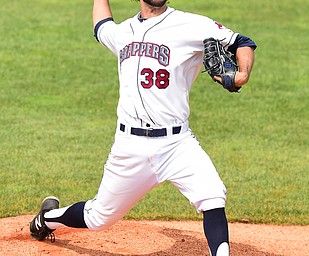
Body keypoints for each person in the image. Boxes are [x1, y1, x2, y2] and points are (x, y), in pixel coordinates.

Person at [30, 0, 256, 255]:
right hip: (129, 146)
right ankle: (47, 218)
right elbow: (101, 28)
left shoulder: (192, 24)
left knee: (212, 195)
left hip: (177, 144)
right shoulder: (123, 32)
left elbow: (242, 42)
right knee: (98, 218)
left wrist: (242, 74)